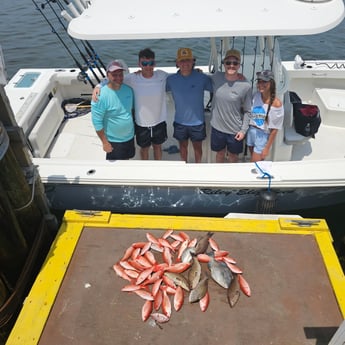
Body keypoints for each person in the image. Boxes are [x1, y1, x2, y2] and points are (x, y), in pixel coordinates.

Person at [93, 48, 168, 160]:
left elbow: (180, 75)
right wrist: (98, 86)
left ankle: (157, 167)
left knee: (158, 146)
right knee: (144, 149)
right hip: (141, 123)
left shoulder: (162, 75)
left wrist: (196, 71)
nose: (148, 66)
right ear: (139, 64)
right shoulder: (132, 78)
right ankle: (145, 169)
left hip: (159, 121)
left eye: (151, 63)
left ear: (155, 63)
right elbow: (113, 78)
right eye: (144, 63)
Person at [166, 48, 213, 163]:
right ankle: (184, 165)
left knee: (198, 147)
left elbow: (217, 87)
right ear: (177, 63)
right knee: (182, 146)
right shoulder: (170, 80)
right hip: (180, 121)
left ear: (193, 62)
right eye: (182, 61)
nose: (185, 64)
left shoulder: (202, 78)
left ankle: (198, 166)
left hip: (197, 122)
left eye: (188, 60)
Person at [210, 49, 252, 163]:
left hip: (235, 130)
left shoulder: (246, 85)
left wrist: (243, 131)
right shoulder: (216, 77)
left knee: (233, 157)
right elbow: (200, 79)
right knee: (219, 154)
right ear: (224, 64)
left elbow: (248, 111)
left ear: (239, 65)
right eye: (228, 63)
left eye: (235, 63)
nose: (231, 65)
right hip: (217, 128)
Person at [91, 60, 135, 160]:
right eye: (114, 75)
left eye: (120, 74)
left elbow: (131, 111)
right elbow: (97, 122)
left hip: (130, 137)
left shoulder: (129, 90)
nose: (118, 77)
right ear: (107, 75)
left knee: (128, 159)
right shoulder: (100, 96)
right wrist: (105, 142)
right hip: (114, 141)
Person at [246, 70, 284, 162]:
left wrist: (267, 148)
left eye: (264, 82)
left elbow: (274, 130)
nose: (261, 84)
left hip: (262, 135)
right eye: (259, 81)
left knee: (255, 163)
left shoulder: (277, 104)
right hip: (251, 131)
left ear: (271, 83)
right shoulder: (256, 95)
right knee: (254, 159)